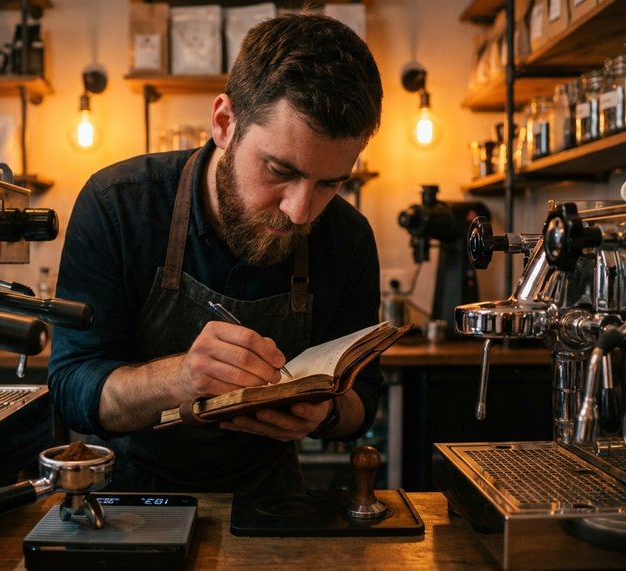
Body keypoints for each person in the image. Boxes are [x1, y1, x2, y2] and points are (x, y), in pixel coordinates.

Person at [48, 13, 384, 493]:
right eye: (278, 170)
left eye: (329, 183)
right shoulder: (118, 205)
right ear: (225, 123)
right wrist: (179, 378)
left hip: (270, 502)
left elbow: (364, 398)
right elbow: (71, 387)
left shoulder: (347, 238)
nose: (299, 211)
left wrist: (327, 412)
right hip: (130, 499)